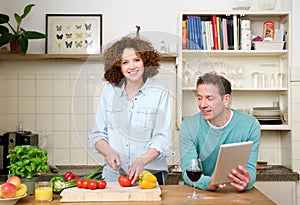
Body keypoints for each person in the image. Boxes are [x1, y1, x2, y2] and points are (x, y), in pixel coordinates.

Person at [89, 35, 173, 185]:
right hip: (115, 176)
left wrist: (142, 160)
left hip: (149, 174)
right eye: (125, 62)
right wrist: (108, 152)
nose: (132, 66)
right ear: (118, 66)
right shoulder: (109, 91)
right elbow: (98, 135)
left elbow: (162, 138)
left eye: (136, 60)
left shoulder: (160, 91)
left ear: (145, 62)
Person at [179, 72, 260, 191]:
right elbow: (188, 171)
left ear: (226, 100)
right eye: (199, 98)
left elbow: (250, 169)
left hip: (235, 193)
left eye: (209, 98)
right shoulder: (189, 126)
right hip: (201, 191)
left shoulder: (250, 125)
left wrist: (247, 181)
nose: (202, 104)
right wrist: (208, 183)